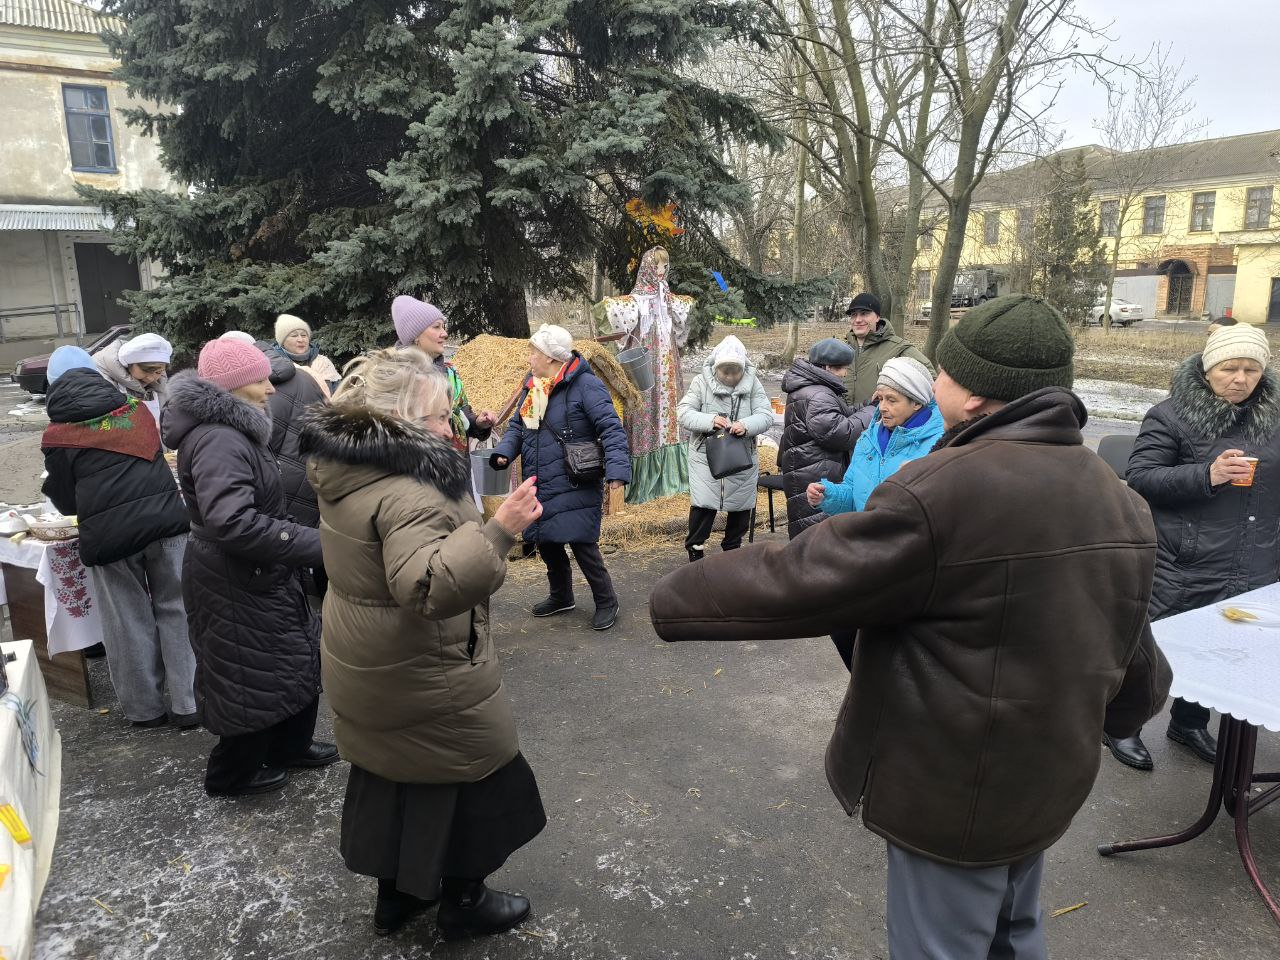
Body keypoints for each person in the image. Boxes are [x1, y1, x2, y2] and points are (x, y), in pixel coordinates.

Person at [650, 295, 1171, 960]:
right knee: (1015, 933)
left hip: (953, 787)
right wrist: (1129, 711)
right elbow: (1131, 641)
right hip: (1048, 777)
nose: (934, 381)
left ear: (979, 394)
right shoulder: (1114, 494)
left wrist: (675, 600)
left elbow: (806, 575)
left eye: (945, 371)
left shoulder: (945, 488)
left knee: (942, 947)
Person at [300, 348, 546, 940]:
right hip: (423, 669)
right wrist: (498, 531)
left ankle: (398, 900)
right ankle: (463, 900)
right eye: (437, 416)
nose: (449, 426)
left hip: (373, 664)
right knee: (475, 777)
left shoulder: (348, 468)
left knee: (394, 779)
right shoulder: (411, 488)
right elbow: (428, 587)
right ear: (398, 419)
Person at [161, 337, 338, 797]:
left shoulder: (236, 429)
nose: (270, 388)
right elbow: (232, 522)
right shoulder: (218, 438)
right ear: (234, 386)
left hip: (260, 571)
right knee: (245, 673)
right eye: (260, 379)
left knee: (287, 659)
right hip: (233, 578)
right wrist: (316, 544)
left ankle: (287, 748)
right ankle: (231, 775)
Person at [1107, 323, 1280, 771]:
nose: (1240, 378)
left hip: (1255, 558)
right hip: (1186, 559)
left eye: (1251, 369)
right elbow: (1141, 476)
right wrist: (1208, 475)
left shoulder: (1276, 418)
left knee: (1221, 649)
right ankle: (1122, 724)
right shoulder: (1172, 415)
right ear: (1207, 369)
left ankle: (1187, 723)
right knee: (1150, 647)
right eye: (1229, 368)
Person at [41, 348, 196, 729]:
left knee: (126, 620)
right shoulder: (135, 410)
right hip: (166, 522)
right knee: (178, 608)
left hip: (110, 537)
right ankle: (189, 703)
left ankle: (145, 711)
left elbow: (63, 502)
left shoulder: (57, 436)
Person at [491, 324, 631, 631]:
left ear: (553, 358)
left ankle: (607, 600)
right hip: (541, 478)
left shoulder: (587, 386)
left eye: (534, 353)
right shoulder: (537, 386)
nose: (529, 358)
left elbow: (611, 429)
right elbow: (519, 427)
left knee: (582, 543)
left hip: (575, 477)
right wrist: (503, 452)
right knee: (547, 539)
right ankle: (562, 595)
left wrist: (618, 473)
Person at [594, 247, 695, 503]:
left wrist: (681, 301)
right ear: (649, 268)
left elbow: (683, 310)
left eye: (664, 267)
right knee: (644, 408)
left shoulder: (667, 297)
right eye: (657, 267)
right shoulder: (638, 300)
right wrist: (609, 305)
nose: (661, 272)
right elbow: (615, 314)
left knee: (669, 410)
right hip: (646, 363)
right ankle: (644, 478)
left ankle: (673, 476)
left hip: (668, 366)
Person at [677, 335, 773, 561]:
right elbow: (683, 412)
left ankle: (732, 556)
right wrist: (709, 420)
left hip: (741, 457)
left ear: (743, 369)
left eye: (735, 372)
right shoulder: (701, 382)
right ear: (715, 368)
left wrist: (745, 425)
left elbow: (765, 415)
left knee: (740, 508)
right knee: (703, 506)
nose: (730, 377)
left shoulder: (754, 385)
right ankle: (696, 553)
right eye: (725, 372)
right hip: (705, 458)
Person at [808, 357, 944, 517]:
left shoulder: (939, 445)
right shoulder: (868, 439)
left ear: (917, 402)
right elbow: (853, 494)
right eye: (880, 399)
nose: (882, 407)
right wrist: (828, 495)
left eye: (891, 400)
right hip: (867, 538)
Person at [778, 338, 873, 539]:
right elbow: (839, 433)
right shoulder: (819, 394)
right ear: (827, 367)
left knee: (807, 537)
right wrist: (872, 412)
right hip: (815, 473)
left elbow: (841, 415)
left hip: (807, 470)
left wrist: (867, 405)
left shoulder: (811, 388)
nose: (845, 374)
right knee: (816, 539)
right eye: (841, 369)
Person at [392, 295, 495, 449]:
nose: (445, 333)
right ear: (416, 336)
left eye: (443, 326)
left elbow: (463, 416)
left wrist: (478, 423)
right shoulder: (395, 378)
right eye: (436, 327)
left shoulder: (450, 372)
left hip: (457, 468)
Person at [843, 292, 934, 406]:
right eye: (854, 315)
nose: (858, 320)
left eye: (864, 314)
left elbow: (930, 378)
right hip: (844, 420)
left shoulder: (898, 348)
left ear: (877, 317)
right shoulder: (842, 350)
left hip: (882, 421)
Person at [94, 331, 172, 405]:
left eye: (158, 372)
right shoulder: (100, 378)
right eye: (145, 371)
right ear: (129, 362)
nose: (151, 378)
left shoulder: (160, 381)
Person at [275, 314, 340, 395]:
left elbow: (338, 394)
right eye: (294, 335)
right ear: (282, 342)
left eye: (304, 335)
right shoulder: (275, 365)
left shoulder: (323, 362)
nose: (300, 340)